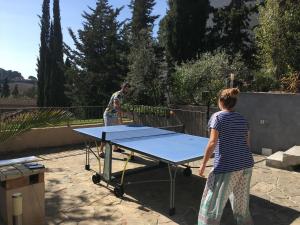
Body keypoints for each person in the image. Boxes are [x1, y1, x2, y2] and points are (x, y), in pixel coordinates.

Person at [198, 88, 254, 225]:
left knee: (211, 203)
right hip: (246, 164)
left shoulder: (218, 117)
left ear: (221, 101)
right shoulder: (243, 119)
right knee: (241, 203)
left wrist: (203, 164)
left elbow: (212, 143)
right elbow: (247, 144)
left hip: (226, 166)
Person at [99, 82, 131, 157]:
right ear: (123, 87)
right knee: (107, 133)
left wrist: (120, 119)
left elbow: (118, 108)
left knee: (116, 131)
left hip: (115, 115)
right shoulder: (118, 95)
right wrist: (125, 112)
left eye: (128, 88)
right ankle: (101, 150)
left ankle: (115, 148)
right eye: (126, 87)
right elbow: (116, 107)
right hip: (109, 115)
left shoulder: (123, 95)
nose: (128, 89)